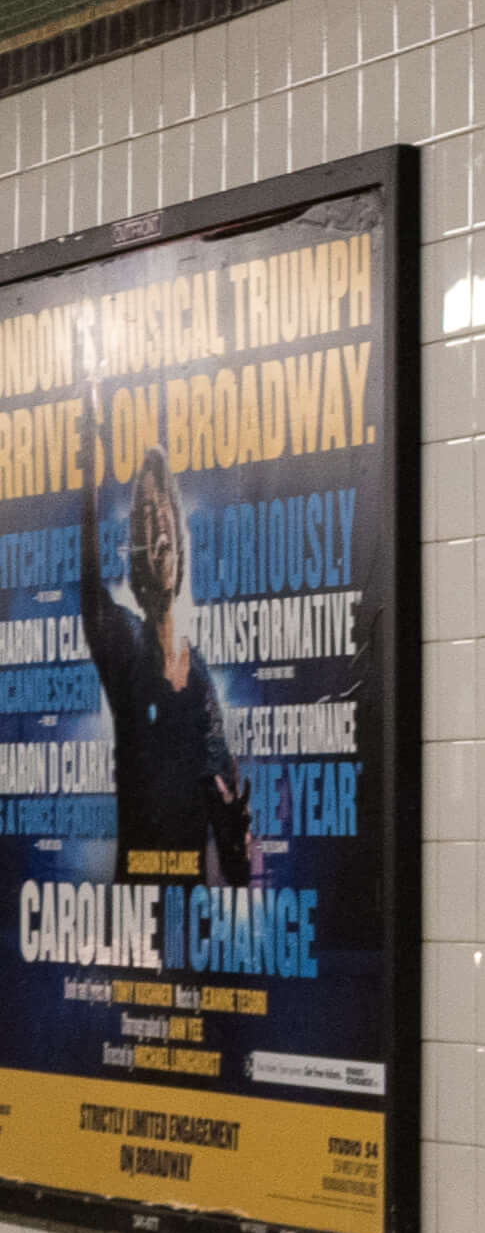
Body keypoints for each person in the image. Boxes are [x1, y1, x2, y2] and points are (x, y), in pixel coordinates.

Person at [76, 332, 252, 887]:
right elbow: (88, 590)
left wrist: (235, 836)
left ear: (179, 540)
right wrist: (88, 466)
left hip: (192, 919)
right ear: (136, 547)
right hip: (138, 914)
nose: (158, 530)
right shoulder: (124, 641)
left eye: (165, 517)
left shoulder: (197, 673)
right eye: (146, 517)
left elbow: (226, 796)